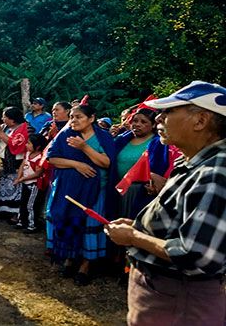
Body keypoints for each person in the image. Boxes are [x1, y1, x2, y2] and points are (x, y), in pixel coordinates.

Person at [105, 81, 226, 325]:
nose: (159, 118)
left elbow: (196, 254)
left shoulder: (216, 171)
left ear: (200, 121)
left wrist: (134, 237)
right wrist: (140, 227)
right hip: (166, 296)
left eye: (169, 111)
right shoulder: (192, 162)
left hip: (179, 301)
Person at [46, 103, 116, 286]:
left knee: (89, 227)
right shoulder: (65, 134)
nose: (74, 121)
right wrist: (77, 165)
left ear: (91, 118)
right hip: (68, 190)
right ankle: (69, 259)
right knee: (69, 223)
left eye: (79, 117)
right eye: (72, 117)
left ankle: (85, 266)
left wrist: (84, 148)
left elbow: (107, 163)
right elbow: (52, 158)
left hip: (93, 191)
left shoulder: (103, 137)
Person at [0, 106, 29, 220]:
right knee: (3, 188)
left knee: (15, 188)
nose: (2, 119)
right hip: (3, 162)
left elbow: (15, 144)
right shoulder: (6, 127)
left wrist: (0, 132)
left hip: (16, 164)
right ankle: (3, 210)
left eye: (5, 117)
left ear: (13, 119)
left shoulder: (27, 129)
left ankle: (15, 213)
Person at [14, 133, 47, 233]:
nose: (26, 145)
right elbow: (22, 165)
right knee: (23, 202)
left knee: (31, 205)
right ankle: (22, 220)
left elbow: (38, 173)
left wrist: (22, 179)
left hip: (34, 184)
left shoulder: (41, 158)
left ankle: (32, 225)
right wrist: (19, 177)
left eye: (29, 143)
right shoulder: (28, 154)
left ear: (37, 147)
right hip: (25, 182)